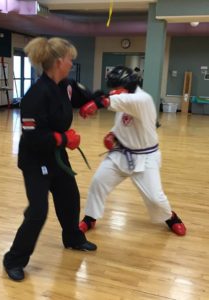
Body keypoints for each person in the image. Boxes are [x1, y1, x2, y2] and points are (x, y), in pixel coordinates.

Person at [3, 37, 97, 282]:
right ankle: (13, 259)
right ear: (58, 61)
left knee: (70, 197)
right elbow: (34, 137)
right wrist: (64, 139)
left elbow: (85, 97)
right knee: (38, 210)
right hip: (35, 160)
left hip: (56, 157)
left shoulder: (65, 85)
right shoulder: (36, 94)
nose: (72, 63)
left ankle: (73, 238)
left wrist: (98, 102)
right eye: (70, 59)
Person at [78, 65, 186, 236]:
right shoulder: (125, 98)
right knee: (98, 182)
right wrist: (113, 134)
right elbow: (122, 122)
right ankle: (90, 218)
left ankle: (170, 216)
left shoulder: (143, 99)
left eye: (117, 87)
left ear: (129, 85)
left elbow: (113, 102)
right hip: (121, 154)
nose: (114, 91)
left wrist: (98, 102)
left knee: (155, 198)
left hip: (146, 157)